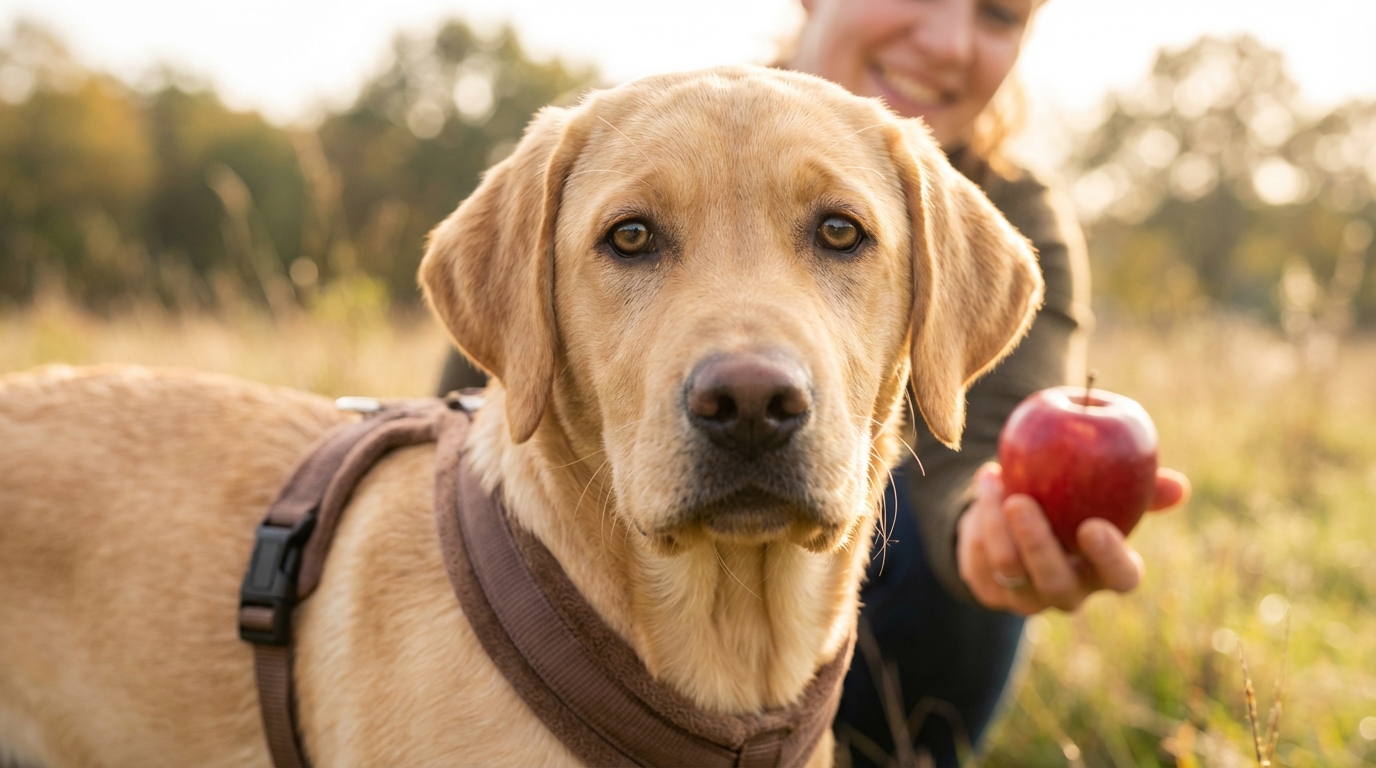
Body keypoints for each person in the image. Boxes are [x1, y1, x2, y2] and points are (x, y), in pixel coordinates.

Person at [438, 1, 1190, 764]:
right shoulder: (618, 142)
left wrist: (991, 532)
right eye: (633, 239)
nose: (949, 42)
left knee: (950, 584)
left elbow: (976, 454)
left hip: (862, 611)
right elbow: (459, 421)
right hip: (569, 608)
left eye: (838, 233)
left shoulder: (999, 211)